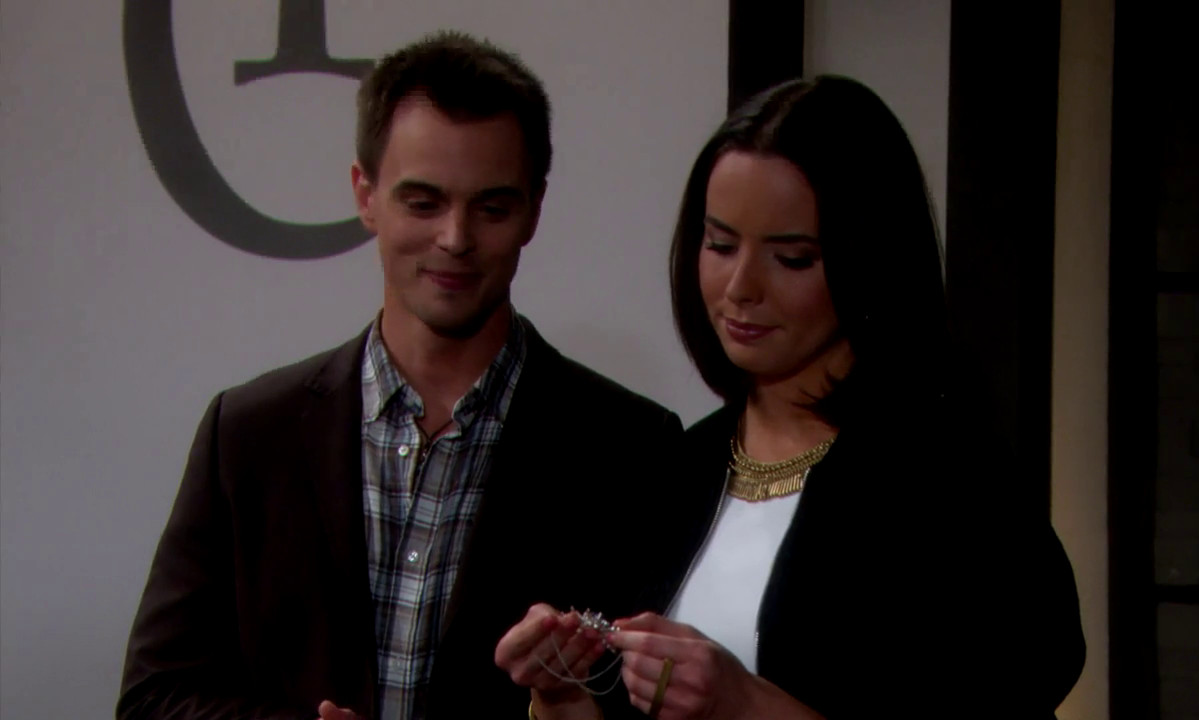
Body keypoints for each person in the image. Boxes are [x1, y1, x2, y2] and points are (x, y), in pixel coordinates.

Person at [117, 31, 682, 720]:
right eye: (423, 202)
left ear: (534, 209)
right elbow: (153, 697)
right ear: (366, 194)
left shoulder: (630, 448)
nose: (455, 238)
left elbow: (648, 707)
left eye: (492, 207)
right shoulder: (247, 434)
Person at [497, 75, 1085, 719]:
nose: (740, 287)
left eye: (793, 259)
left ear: (870, 259)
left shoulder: (955, 486)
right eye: (721, 245)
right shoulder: (676, 472)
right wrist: (560, 693)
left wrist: (747, 703)